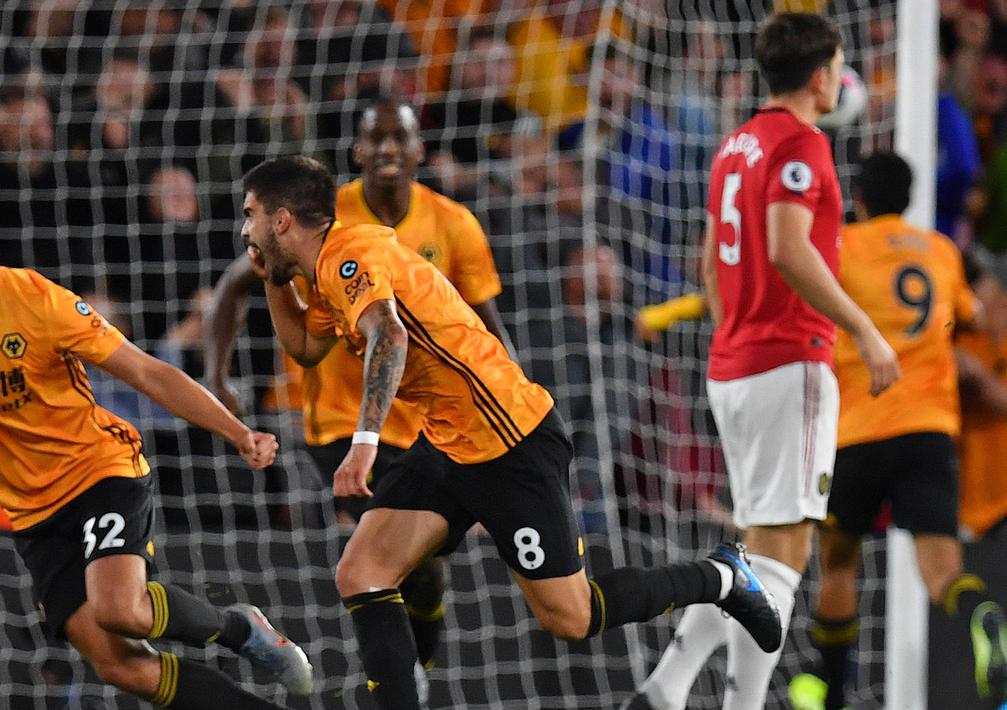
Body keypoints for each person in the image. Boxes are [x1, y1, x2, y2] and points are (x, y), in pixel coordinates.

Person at [238, 155, 783, 710]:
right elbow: (307, 348)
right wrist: (274, 280)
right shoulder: (327, 270)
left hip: (510, 442)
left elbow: (390, 336)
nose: (245, 229)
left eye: (251, 214)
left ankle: (720, 577)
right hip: (448, 441)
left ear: (282, 220)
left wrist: (364, 444)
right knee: (362, 571)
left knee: (573, 616)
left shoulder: (350, 258)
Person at [0, 181, 313, 710]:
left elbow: (147, 371)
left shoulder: (36, 300)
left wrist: (237, 431)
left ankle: (240, 631)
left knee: (120, 608)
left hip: (100, 471)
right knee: (121, 666)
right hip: (33, 514)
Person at [625, 14, 901, 710]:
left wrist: (738, 330)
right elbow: (786, 246)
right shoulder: (801, 143)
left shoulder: (736, 144)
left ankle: (664, 688)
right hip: (790, 362)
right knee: (784, 559)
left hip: (734, 366)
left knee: (752, 555)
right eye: (837, 67)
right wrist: (864, 331)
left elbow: (710, 259)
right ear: (818, 77)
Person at [205, 97, 507, 691]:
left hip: (425, 420)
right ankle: (393, 686)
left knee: (425, 572)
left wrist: (511, 419)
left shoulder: (453, 225)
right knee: (376, 559)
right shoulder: (316, 217)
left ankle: (412, 673)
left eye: (402, 137)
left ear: (421, 149)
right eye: (376, 139)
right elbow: (238, 282)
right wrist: (216, 377)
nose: (389, 149)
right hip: (341, 424)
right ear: (358, 152)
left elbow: (485, 324)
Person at [785, 152, 1007, 708]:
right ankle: (982, 614)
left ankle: (832, 693)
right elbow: (973, 316)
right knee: (941, 572)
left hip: (858, 427)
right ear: (908, 200)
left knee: (838, 562)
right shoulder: (940, 250)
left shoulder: (843, 247)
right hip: (929, 428)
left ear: (858, 198)